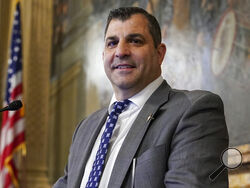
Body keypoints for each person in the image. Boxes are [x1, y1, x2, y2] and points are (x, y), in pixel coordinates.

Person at [53, 7, 229, 188]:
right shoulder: (85, 129)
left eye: (135, 41)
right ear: (103, 55)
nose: (121, 51)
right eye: (112, 43)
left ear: (159, 54)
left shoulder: (195, 111)